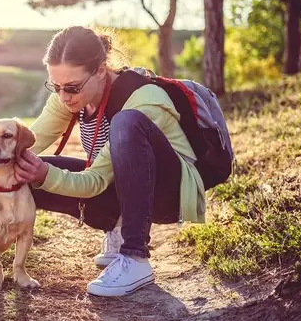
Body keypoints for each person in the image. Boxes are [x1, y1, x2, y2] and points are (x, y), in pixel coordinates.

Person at [14, 26, 206, 297]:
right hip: (119, 185)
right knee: (20, 168)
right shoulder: (69, 97)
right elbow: (26, 145)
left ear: (101, 70)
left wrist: (46, 174)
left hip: (167, 194)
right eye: (55, 86)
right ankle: (116, 226)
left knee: (125, 123)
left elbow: (94, 181)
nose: (63, 96)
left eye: (71, 87)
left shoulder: (143, 100)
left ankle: (136, 256)